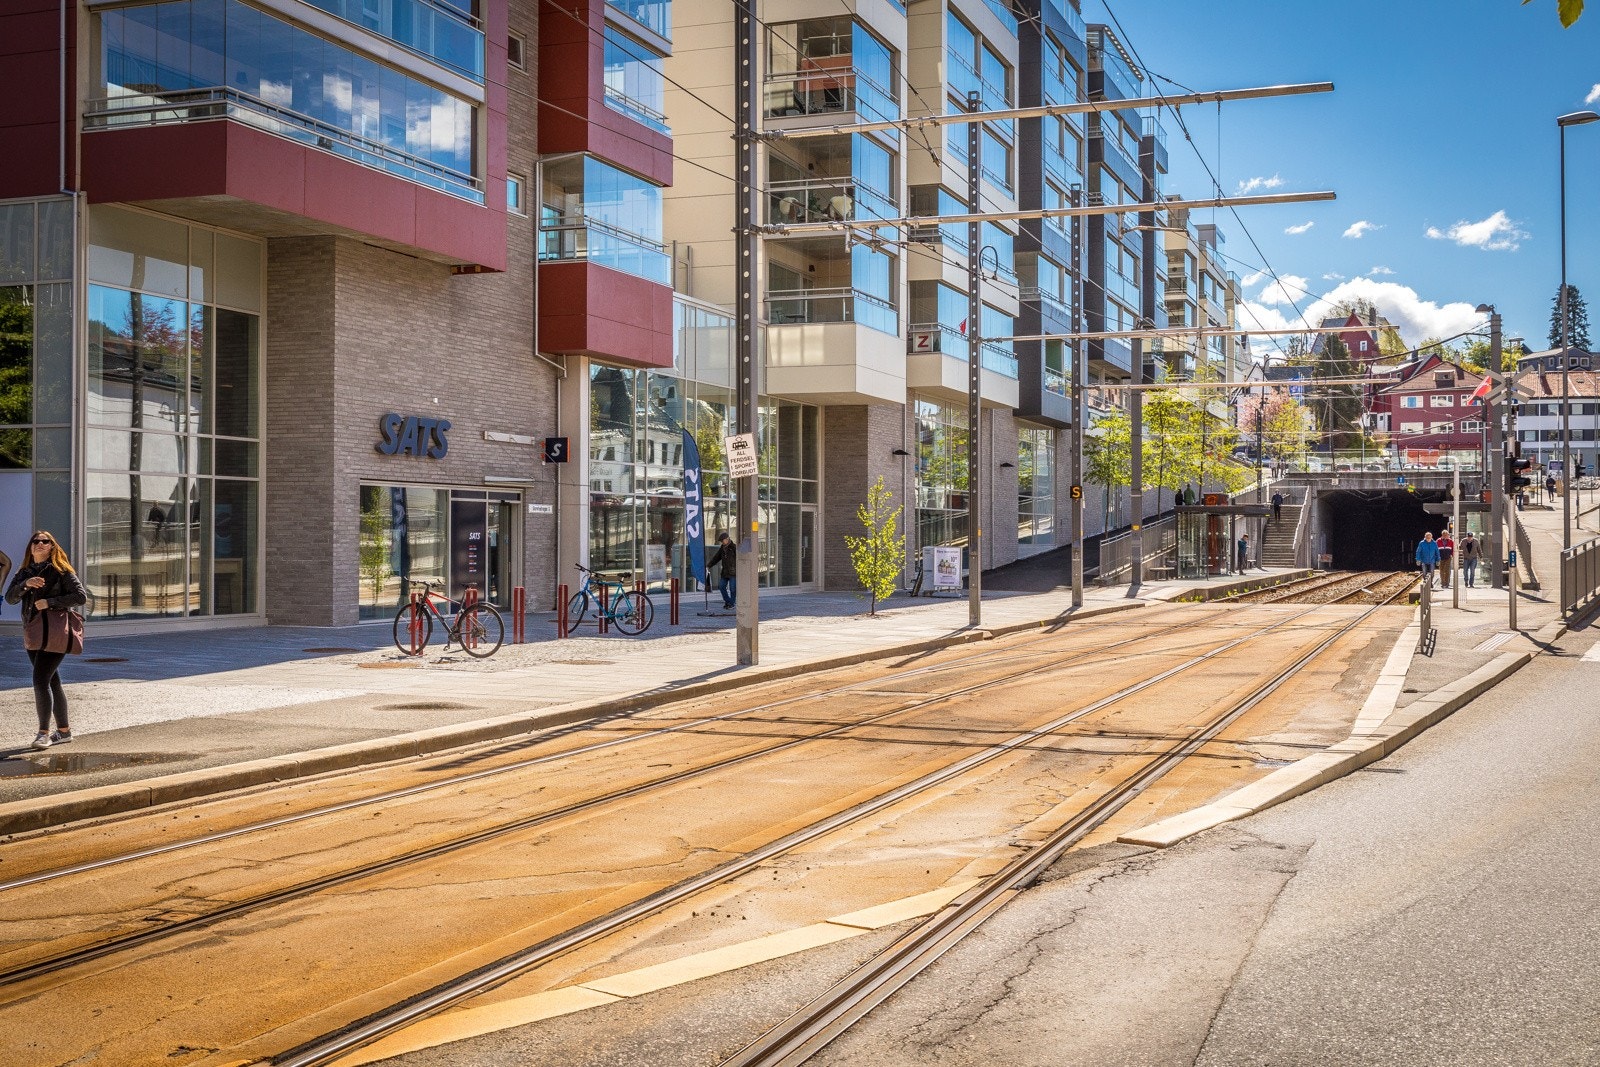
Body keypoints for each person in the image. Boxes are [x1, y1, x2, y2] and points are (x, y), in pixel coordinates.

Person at [5, 531, 87, 750]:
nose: (40, 544)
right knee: (52, 681)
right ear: (31, 548)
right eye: (36, 541)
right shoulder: (25, 572)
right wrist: (26, 585)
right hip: (34, 631)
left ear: (52, 546)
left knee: (40, 680)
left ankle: (43, 734)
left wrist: (50, 602)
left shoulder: (61, 570)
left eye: (45, 541)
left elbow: (81, 597)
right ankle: (64, 731)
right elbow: (10, 598)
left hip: (56, 631)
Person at [712, 531, 737, 610]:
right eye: (721, 541)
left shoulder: (734, 548)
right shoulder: (722, 549)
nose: (722, 542)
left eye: (723, 541)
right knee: (721, 586)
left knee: (733, 589)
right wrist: (709, 565)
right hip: (725, 572)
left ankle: (731, 604)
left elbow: (739, 560)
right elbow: (716, 558)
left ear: (727, 539)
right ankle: (729, 601)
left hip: (733, 572)